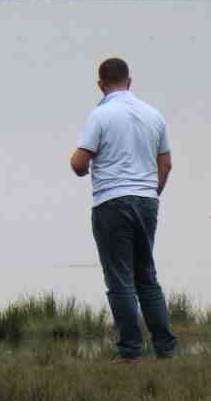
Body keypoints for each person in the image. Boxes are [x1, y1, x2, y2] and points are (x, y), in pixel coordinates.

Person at [70, 57, 177, 360]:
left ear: (101, 85)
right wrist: (150, 193)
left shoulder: (100, 115)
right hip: (147, 201)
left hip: (111, 202)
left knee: (120, 277)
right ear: (130, 81)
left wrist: (79, 165)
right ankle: (165, 347)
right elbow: (166, 163)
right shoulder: (154, 115)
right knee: (147, 275)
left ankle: (130, 350)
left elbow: (79, 163)